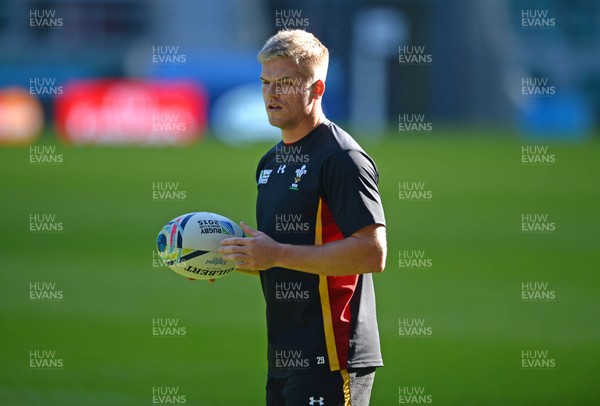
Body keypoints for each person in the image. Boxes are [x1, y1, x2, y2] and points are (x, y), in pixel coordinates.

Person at [219, 29, 387, 406]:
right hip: (284, 355)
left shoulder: (342, 159)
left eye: (285, 83)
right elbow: (287, 253)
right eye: (265, 82)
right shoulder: (270, 162)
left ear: (317, 89)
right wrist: (240, 257)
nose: (271, 94)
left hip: (332, 355)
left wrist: (275, 254)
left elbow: (371, 253)